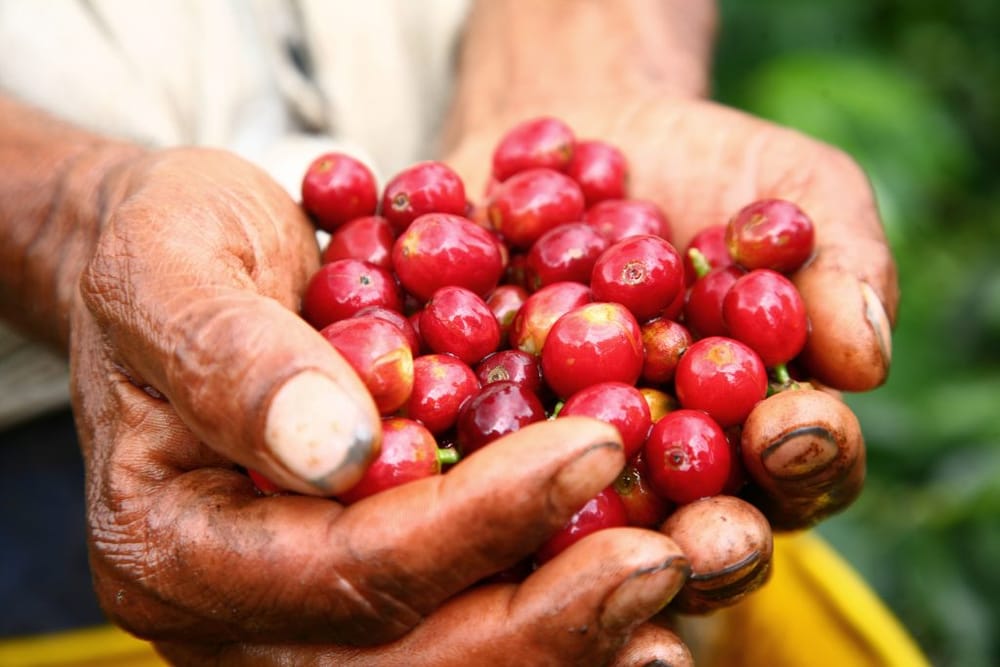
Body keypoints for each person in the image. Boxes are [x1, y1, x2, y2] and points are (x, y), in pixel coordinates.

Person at [0, 1, 898, 664]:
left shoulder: (547, 312)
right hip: (52, 481)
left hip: (335, 372)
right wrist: (62, 216)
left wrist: (587, 55)